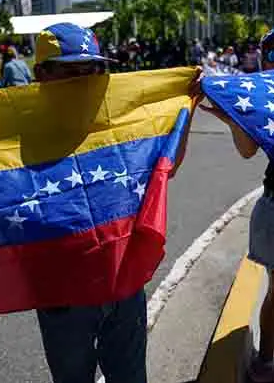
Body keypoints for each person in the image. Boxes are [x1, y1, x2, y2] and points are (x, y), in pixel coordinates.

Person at [31, 22, 201, 383]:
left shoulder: (120, 122)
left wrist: (186, 107)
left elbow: (165, 167)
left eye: (94, 70)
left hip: (124, 284)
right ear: (41, 75)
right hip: (63, 296)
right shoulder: (13, 135)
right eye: (71, 72)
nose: (85, 81)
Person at [201, 28, 274, 383]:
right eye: (273, 54)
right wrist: (235, 118)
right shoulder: (262, 98)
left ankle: (264, 361)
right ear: (264, 61)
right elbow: (248, 151)